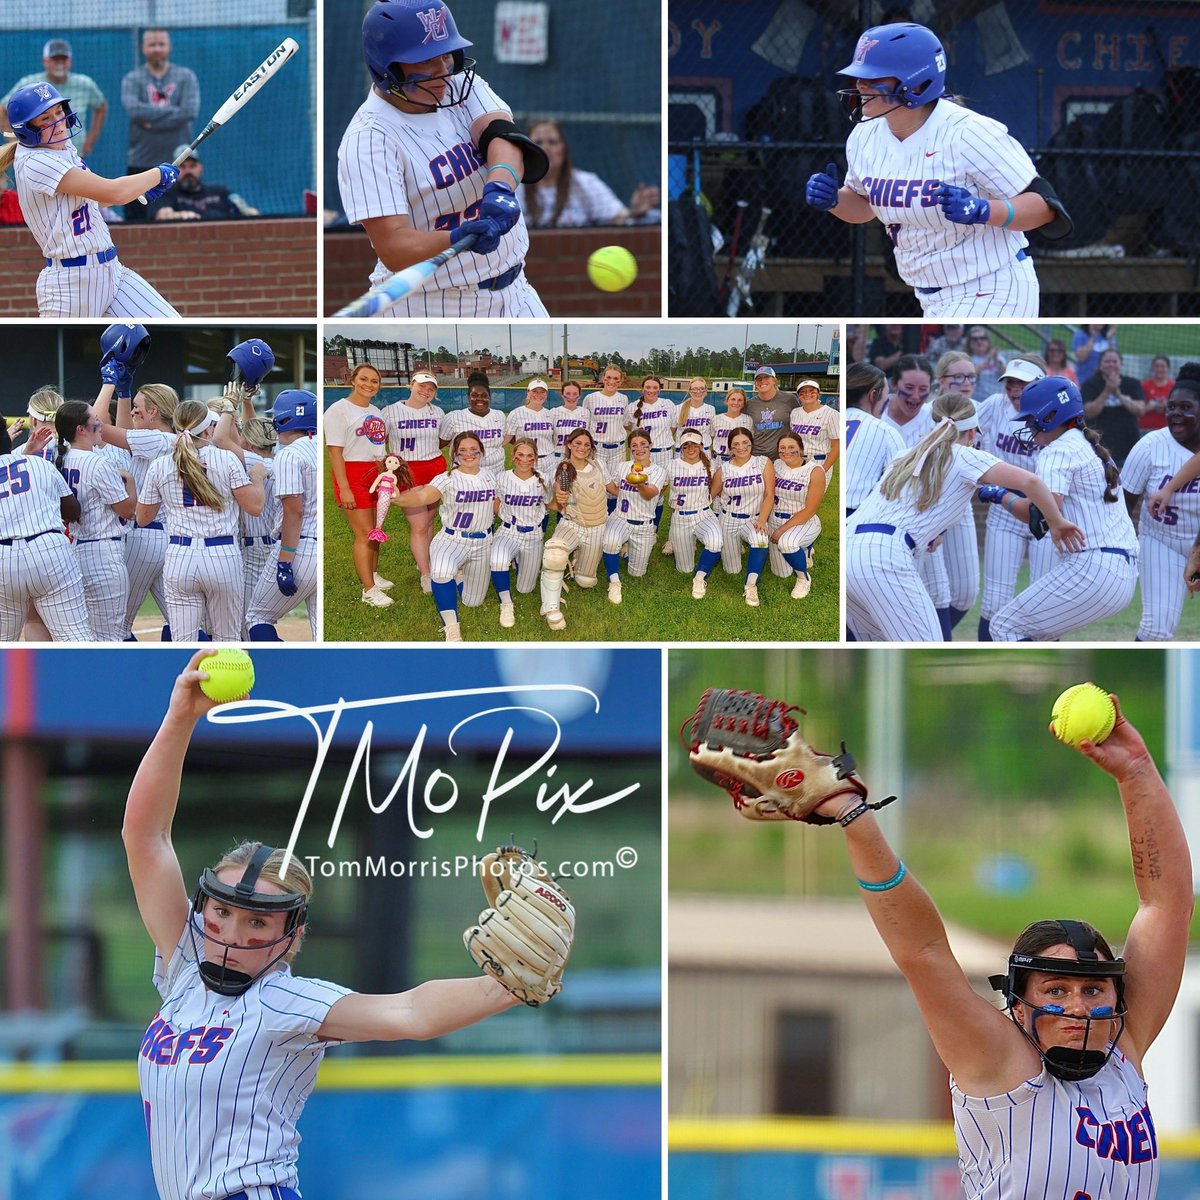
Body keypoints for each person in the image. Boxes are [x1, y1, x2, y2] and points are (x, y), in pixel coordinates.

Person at [124, 652, 569, 1200]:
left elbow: (409, 1012)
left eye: (258, 920)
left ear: (291, 935)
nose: (235, 933)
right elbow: (146, 838)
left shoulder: (285, 1001)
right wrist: (180, 718)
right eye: (222, 912)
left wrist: (503, 987)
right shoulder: (186, 968)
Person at [801, 693, 1190, 1200]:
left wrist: (1137, 772)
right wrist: (855, 818)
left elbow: (1167, 905)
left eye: (1094, 990)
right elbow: (922, 951)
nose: (1078, 1006)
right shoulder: (1001, 1061)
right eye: (1056, 988)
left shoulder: (1123, 1050)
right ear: (1018, 1003)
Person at [805, 22, 1070, 316]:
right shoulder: (864, 136)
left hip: (993, 285)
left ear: (916, 84)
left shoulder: (968, 133)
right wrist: (836, 201)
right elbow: (865, 207)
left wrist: (982, 210)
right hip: (929, 295)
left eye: (873, 77)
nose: (860, 86)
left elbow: (1045, 208)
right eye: (859, 77)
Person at [337, 0, 549, 317]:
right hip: (433, 305)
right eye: (426, 59)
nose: (442, 69)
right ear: (387, 69)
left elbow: (503, 137)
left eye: (446, 54)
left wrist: (500, 187)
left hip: (517, 291)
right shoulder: (368, 139)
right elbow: (394, 246)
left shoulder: (458, 86)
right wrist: (455, 237)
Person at [846, 392, 1082, 642]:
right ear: (971, 433)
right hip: (884, 557)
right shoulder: (965, 455)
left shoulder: (904, 456)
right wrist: (1057, 522)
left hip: (850, 549)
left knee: (879, 646)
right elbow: (1032, 482)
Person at [2, 84, 180, 317]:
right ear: (26, 130)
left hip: (112, 272)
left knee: (172, 327)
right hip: (71, 284)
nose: (58, 122)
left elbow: (94, 199)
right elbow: (113, 192)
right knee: (60, 353)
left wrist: (139, 191)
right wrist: (157, 174)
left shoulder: (63, 147)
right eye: (45, 119)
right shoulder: (36, 161)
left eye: (58, 112)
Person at [989, 377, 1139, 642]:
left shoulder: (1057, 451)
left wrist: (999, 494)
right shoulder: (1088, 445)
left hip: (1094, 567)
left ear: (1050, 415)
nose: (1028, 426)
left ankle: (1033, 683)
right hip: (1120, 570)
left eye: (1032, 419)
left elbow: (1038, 517)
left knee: (1003, 627)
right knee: (1040, 635)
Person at [136, 400, 267, 642]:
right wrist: (257, 478)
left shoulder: (161, 464)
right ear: (208, 429)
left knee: (183, 641)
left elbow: (143, 519)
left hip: (180, 554)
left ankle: (189, 679)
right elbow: (255, 506)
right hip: (222, 553)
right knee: (227, 639)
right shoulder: (226, 459)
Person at [89, 327, 178, 640]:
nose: (135, 411)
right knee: (183, 621)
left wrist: (110, 383)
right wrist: (125, 394)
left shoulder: (156, 440)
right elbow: (124, 439)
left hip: (143, 537)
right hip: (171, 538)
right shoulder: (171, 439)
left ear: (153, 412)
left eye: (140, 406)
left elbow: (97, 428)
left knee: (114, 625)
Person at [1119, 365, 1200, 641]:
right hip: (1161, 540)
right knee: (1156, 629)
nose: (1176, 413)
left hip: (1197, 541)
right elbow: (1122, 505)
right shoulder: (1150, 446)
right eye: (1171, 406)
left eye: (1186, 407)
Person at [391, 430, 495, 642]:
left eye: (474, 450)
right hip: (451, 539)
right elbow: (422, 496)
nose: (469, 454)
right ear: (454, 454)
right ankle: (451, 627)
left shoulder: (491, 476)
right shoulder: (446, 478)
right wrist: (397, 498)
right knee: (440, 573)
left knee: (473, 601)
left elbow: (500, 505)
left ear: (481, 452)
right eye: (463, 450)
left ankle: (459, 576)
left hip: (483, 542)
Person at [974, 357, 1050, 640]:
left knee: (1044, 602)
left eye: (1023, 382)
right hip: (1004, 506)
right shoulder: (995, 406)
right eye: (1011, 381)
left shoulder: (1055, 413)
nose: (1015, 388)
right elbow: (967, 434)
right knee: (994, 599)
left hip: (1046, 512)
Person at [53, 399, 135, 641]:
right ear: (80, 429)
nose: (100, 422)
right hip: (103, 552)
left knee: (84, 635)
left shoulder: (62, 458)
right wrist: (129, 479)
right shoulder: (98, 462)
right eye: (94, 419)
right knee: (110, 637)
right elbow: (127, 510)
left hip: (76, 551)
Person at [0, 418, 88, 642]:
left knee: (3, 643)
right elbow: (72, 511)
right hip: (48, 550)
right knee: (74, 639)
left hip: (3, 560)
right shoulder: (39, 464)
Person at [246, 391, 320, 642]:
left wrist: (285, 561)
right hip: (322, 546)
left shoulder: (290, 454)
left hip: (301, 547)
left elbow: (294, 510)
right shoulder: (317, 446)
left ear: (288, 419)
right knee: (320, 634)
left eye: (277, 416)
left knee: (257, 617)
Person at [326, 362, 392, 608]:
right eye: (364, 379)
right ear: (353, 380)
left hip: (375, 473)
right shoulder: (338, 410)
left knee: (376, 529)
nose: (369, 385)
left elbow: (378, 447)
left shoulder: (375, 410)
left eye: (374, 381)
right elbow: (335, 453)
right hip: (352, 472)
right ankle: (368, 590)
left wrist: (387, 473)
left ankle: (373, 574)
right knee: (364, 533)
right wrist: (344, 488)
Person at [518, 118, 659, 227]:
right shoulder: (514, 186)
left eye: (552, 142)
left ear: (564, 149)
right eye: (538, 142)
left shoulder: (585, 183)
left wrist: (634, 213)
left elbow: (616, 217)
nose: (546, 148)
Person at [121, 28, 199, 221]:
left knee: (175, 221)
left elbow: (189, 112)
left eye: (161, 44)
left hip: (177, 162)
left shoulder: (185, 76)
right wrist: (174, 114)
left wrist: (150, 122)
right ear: (143, 48)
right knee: (136, 223)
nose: (157, 49)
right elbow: (134, 110)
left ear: (169, 47)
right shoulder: (133, 79)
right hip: (141, 163)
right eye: (152, 44)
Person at [541, 427, 610, 630]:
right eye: (577, 443)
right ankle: (551, 608)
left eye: (587, 445)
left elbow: (612, 488)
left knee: (586, 581)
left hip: (597, 527)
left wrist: (635, 481)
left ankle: (578, 560)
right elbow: (559, 494)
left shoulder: (599, 465)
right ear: (569, 444)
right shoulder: (563, 467)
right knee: (554, 554)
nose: (582, 447)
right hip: (572, 523)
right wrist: (560, 497)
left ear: (591, 449)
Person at [385, 371, 447, 591]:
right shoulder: (391, 411)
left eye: (431, 389)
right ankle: (426, 574)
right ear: (411, 385)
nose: (426, 391)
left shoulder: (437, 412)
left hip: (434, 467)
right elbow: (378, 442)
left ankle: (427, 562)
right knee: (419, 525)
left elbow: (442, 439)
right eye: (422, 386)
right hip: (407, 470)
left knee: (430, 522)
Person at [1, 38, 107, 159]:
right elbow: (2, 109)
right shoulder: (29, 85)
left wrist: (91, 139)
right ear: (44, 61)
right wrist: (13, 139)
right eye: (55, 59)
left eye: (63, 58)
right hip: (41, 156)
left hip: (76, 155)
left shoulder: (84, 84)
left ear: (70, 61)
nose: (59, 63)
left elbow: (101, 106)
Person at [707, 427, 774, 606]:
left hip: (753, 518)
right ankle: (736, 548)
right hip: (728, 519)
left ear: (751, 443)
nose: (741, 447)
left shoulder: (763, 462)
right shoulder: (724, 469)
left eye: (745, 442)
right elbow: (710, 496)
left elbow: (769, 494)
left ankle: (751, 585)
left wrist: (762, 519)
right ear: (730, 448)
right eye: (735, 444)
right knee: (732, 570)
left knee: (760, 539)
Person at [602, 429, 668, 604]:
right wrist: (603, 476)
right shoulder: (623, 466)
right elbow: (616, 491)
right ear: (630, 449)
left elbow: (649, 495)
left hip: (644, 524)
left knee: (637, 573)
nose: (639, 449)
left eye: (643, 445)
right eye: (634, 446)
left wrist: (639, 483)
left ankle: (626, 552)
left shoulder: (658, 471)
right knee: (609, 541)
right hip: (620, 518)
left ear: (650, 446)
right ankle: (614, 581)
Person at [490, 437, 547, 628]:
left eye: (530, 456)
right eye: (520, 455)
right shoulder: (502, 477)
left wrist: (564, 502)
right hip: (509, 531)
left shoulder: (543, 478)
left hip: (533, 535)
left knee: (525, 589)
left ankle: (516, 560)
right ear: (513, 455)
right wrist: (504, 516)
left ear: (536, 458)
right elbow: (496, 502)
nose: (525, 459)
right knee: (497, 558)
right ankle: (506, 603)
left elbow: (550, 505)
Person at [768, 432, 823, 599]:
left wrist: (781, 530)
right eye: (782, 448)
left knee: (786, 543)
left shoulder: (815, 471)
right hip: (776, 517)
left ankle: (803, 578)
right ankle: (805, 551)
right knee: (781, 573)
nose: (787, 451)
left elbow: (810, 510)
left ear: (801, 448)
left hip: (803, 520)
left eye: (792, 447)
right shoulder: (776, 464)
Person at [845, 361, 904, 518]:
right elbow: (901, 490)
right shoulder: (885, 431)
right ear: (873, 395)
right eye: (886, 395)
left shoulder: (832, 418)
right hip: (857, 519)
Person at [147, 144, 259, 221]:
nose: (188, 171)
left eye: (192, 166)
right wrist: (180, 215)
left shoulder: (220, 192)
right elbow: (163, 215)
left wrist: (250, 212)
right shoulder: (167, 193)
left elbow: (248, 212)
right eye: (183, 167)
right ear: (175, 171)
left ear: (200, 168)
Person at [667, 430, 724, 579]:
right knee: (684, 569)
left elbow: (719, 488)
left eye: (694, 445)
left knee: (716, 542)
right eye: (686, 446)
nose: (690, 449)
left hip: (703, 514)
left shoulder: (711, 465)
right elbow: (657, 488)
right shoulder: (671, 465)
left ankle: (700, 576)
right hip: (680, 517)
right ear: (681, 448)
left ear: (701, 446)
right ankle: (684, 544)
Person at [1082, 348, 1144, 469]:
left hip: (1128, 444)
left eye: (1114, 361)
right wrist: (1107, 391)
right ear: (1100, 365)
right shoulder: (1090, 384)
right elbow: (1089, 413)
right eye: (1107, 361)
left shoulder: (1132, 383)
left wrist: (1119, 394)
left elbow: (1140, 410)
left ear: (1121, 364)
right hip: (1100, 445)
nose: (1111, 364)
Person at [439, 371, 506, 476]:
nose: (479, 399)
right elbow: (439, 445)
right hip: (464, 474)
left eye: (484, 395)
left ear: (490, 397)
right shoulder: (454, 417)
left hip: (496, 473)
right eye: (474, 395)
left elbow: (509, 438)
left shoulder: (499, 415)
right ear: (468, 397)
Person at [585, 364, 632, 481]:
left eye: (616, 379)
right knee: (597, 482)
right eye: (609, 377)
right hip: (597, 447)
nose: (612, 381)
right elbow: (585, 425)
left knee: (616, 483)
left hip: (618, 448)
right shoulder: (591, 398)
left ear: (620, 381)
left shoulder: (623, 398)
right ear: (603, 378)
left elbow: (626, 423)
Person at [503, 379, 557, 480]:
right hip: (526, 461)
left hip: (549, 460)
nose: (538, 395)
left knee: (547, 493)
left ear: (546, 394)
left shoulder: (550, 414)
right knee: (528, 492)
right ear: (528, 392)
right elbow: (507, 438)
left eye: (542, 392)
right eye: (535, 391)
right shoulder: (516, 413)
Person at [744, 367, 799, 459]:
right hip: (757, 455)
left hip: (783, 455)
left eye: (766, 377)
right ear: (755, 383)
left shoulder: (789, 399)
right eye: (759, 379)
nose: (762, 381)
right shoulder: (750, 404)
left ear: (774, 380)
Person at [789, 378, 839, 475]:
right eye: (803, 392)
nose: (807, 394)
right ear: (798, 396)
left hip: (819, 461)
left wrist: (824, 469)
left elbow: (837, 446)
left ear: (818, 393)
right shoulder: (795, 412)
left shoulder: (831, 414)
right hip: (797, 460)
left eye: (812, 391)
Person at [549, 379, 588, 462]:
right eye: (568, 394)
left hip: (579, 456)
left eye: (575, 394)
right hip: (558, 457)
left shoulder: (586, 412)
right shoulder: (553, 412)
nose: (571, 397)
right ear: (562, 395)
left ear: (579, 395)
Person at [675, 377, 717, 451]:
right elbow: (672, 430)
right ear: (690, 391)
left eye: (701, 388)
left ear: (706, 391)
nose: (698, 391)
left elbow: (712, 433)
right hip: (683, 451)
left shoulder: (711, 409)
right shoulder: (678, 408)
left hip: (704, 450)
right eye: (695, 389)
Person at [712, 388, 752, 463]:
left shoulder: (748, 420)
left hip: (740, 459)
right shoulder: (716, 419)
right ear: (727, 401)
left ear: (743, 403)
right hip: (718, 459)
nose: (736, 402)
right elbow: (711, 437)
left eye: (740, 400)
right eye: (733, 399)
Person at [967, 328, 1007, 398]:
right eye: (975, 339)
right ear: (970, 343)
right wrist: (988, 359)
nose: (979, 341)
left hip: (998, 398)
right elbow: (972, 375)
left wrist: (996, 360)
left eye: (983, 338)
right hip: (978, 401)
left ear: (988, 341)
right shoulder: (967, 359)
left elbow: (1006, 375)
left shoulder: (998, 357)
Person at [1140, 354, 1174, 435]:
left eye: (1162, 366)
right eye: (1157, 366)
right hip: (1146, 430)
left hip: (1168, 430)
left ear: (1168, 368)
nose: (1159, 369)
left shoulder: (1174, 386)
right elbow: (1137, 411)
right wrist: (1151, 406)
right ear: (1152, 367)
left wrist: (1167, 405)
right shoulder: (1144, 385)